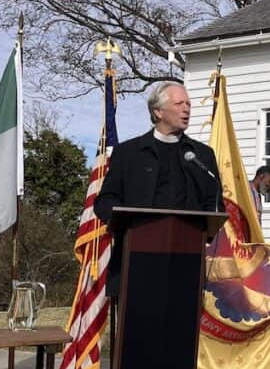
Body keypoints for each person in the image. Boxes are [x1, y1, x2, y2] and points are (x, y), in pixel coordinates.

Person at [95, 81, 222, 296]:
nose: (186, 109)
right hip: (136, 259)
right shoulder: (128, 153)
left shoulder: (201, 155)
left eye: (189, 104)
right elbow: (105, 201)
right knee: (136, 329)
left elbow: (214, 202)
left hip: (185, 261)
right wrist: (125, 223)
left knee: (180, 328)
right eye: (179, 103)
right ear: (158, 112)